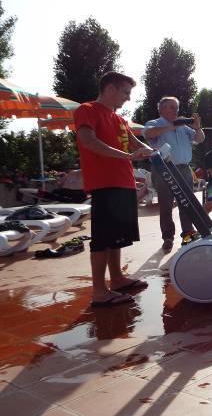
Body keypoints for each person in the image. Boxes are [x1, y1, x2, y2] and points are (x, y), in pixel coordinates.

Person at [74, 71, 153, 307]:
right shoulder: (86, 110)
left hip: (123, 182)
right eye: (125, 93)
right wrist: (129, 155)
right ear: (110, 89)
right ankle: (99, 291)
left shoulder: (119, 119)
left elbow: (135, 143)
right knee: (102, 239)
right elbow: (88, 141)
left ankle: (117, 279)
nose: (127, 98)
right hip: (104, 182)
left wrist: (154, 152)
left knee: (117, 237)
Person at [144, 97, 205, 251]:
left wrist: (197, 127)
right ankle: (168, 238)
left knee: (187, 204)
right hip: (163, 169)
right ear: (162, 109)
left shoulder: (183, 127)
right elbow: (149, 134)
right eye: (171, 107)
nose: (175, 110)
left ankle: (188, 237)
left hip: (184, 169)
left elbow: (200, 139)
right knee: (165, 204)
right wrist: (171, 126)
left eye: (176, 107)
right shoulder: (155, 123)